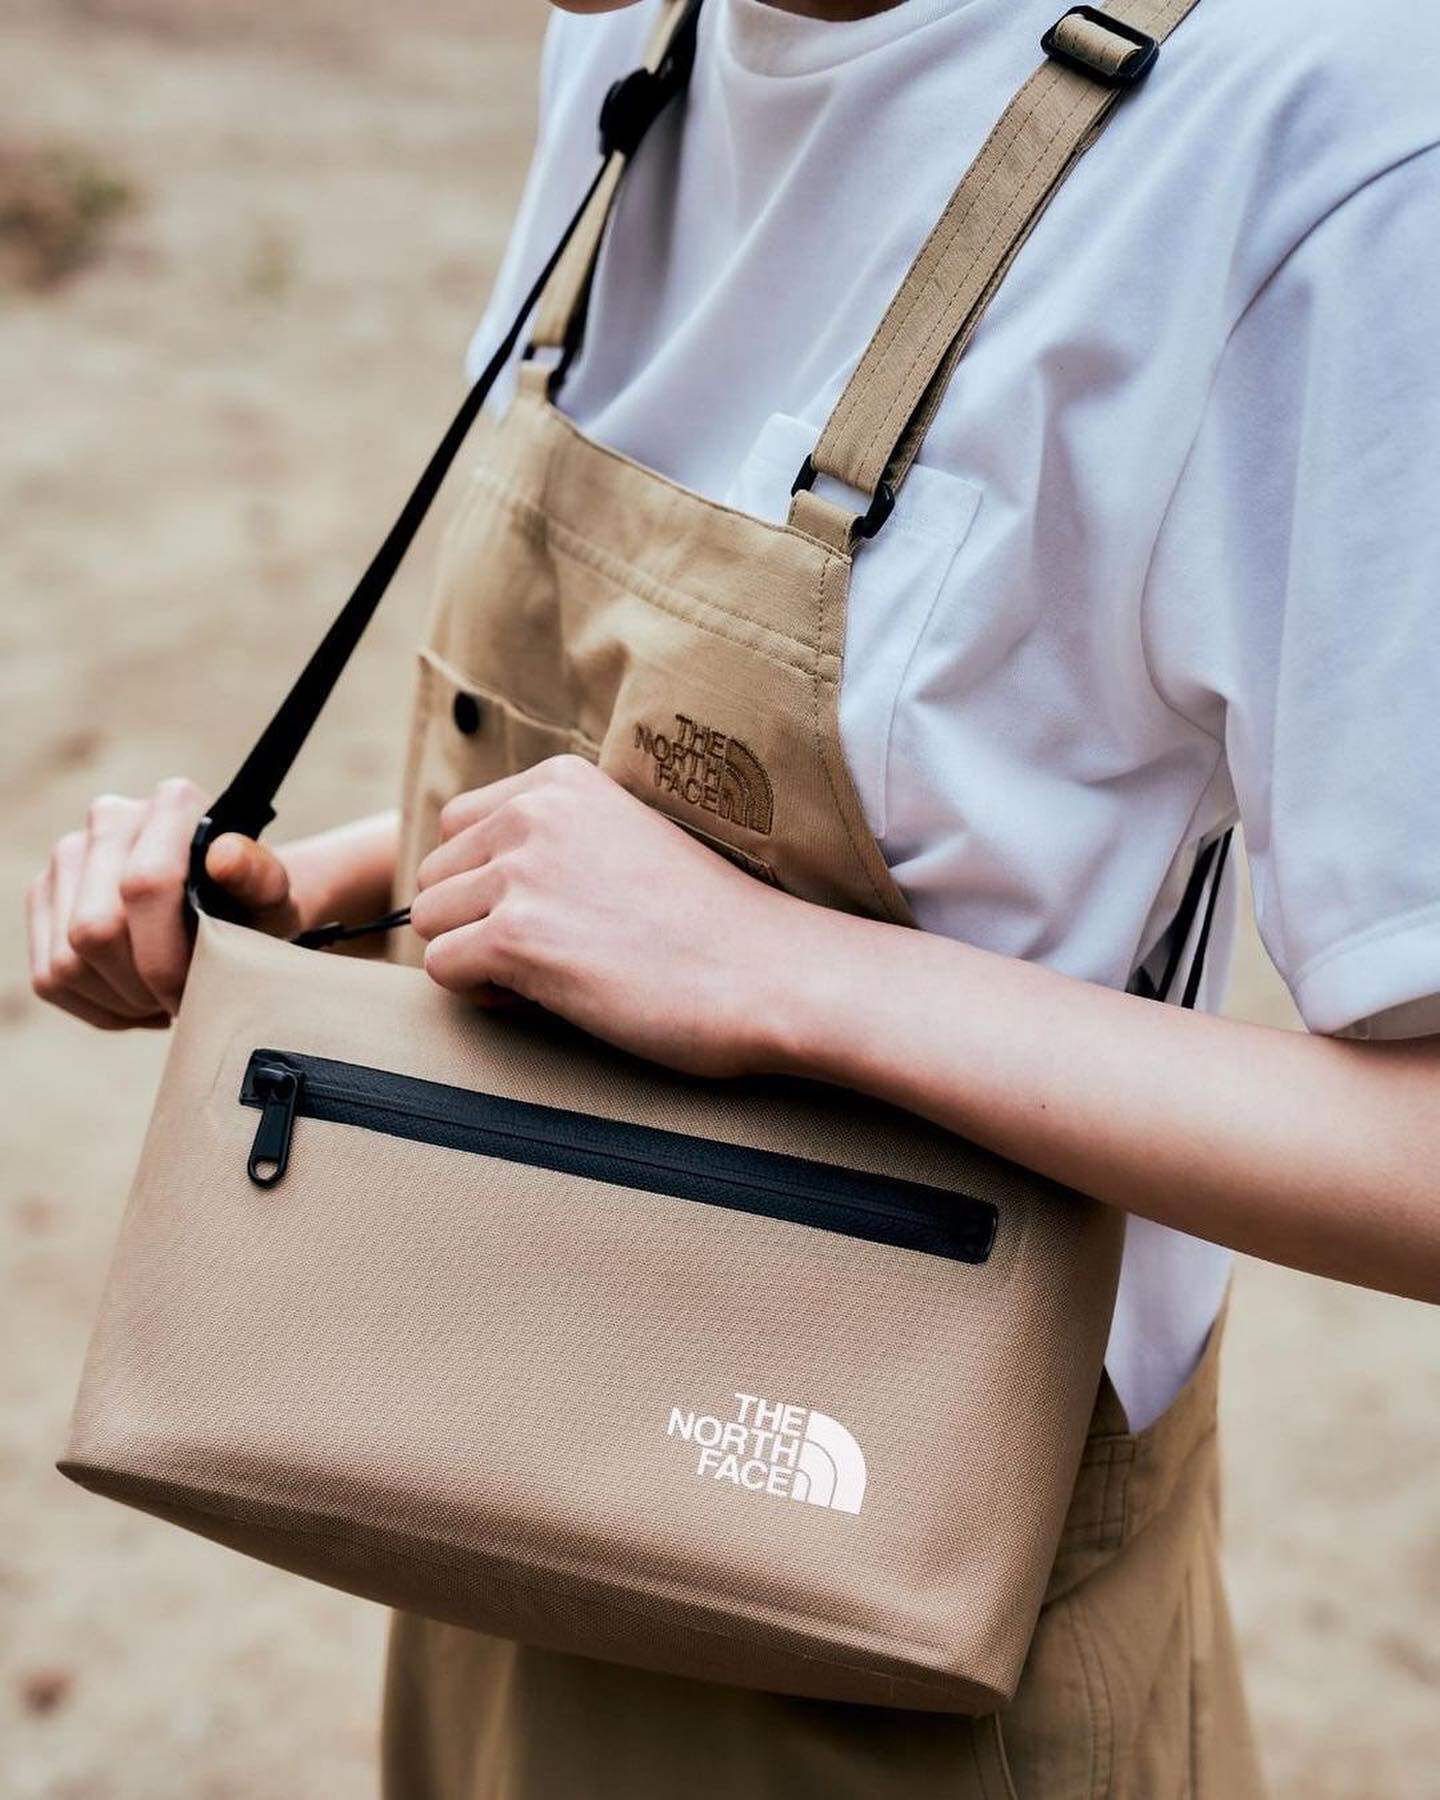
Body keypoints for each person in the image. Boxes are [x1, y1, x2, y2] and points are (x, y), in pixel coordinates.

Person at [26, 0, 1440, 1792]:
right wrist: (310, 898)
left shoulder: (1332, 152)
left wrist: (786, 978)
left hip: (889, 1609)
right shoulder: (636, 38)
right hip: (450, 1448)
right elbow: (743, 787)